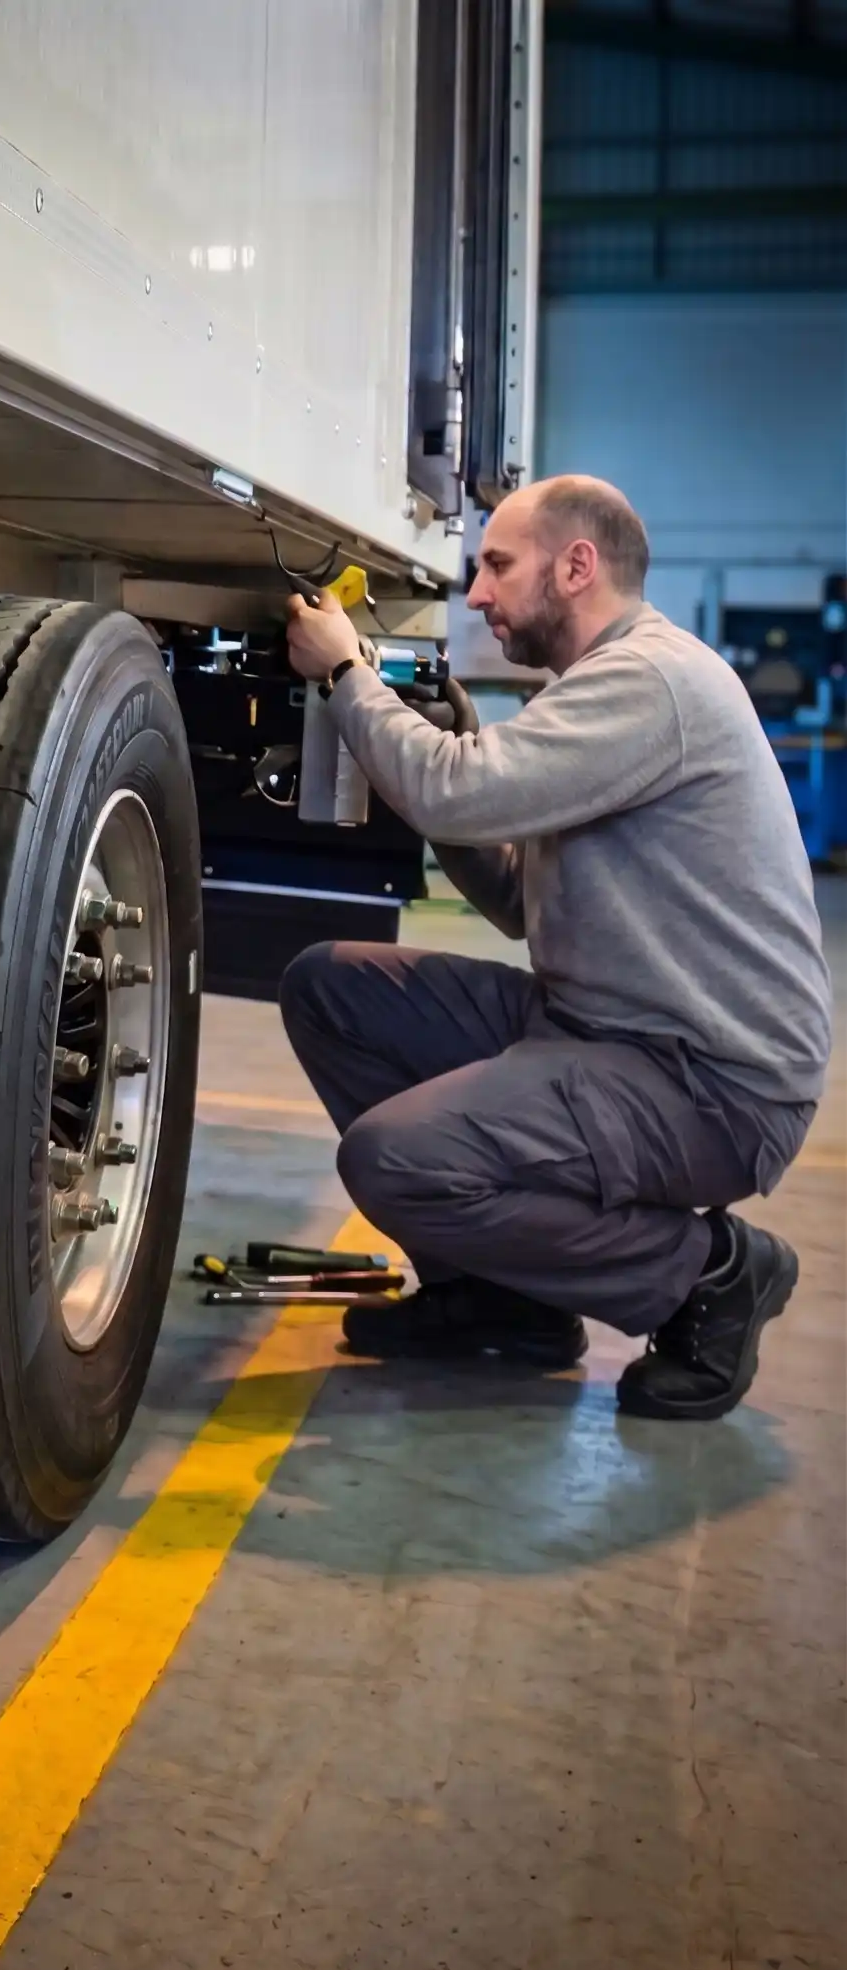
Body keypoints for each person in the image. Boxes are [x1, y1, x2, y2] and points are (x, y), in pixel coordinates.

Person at [279, 475, 831, 1420]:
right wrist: (448, 749)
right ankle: (498, 1298)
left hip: (708, 1082)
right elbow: (515, 908)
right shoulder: (589, 693)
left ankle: (708, 1272)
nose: (480, 594)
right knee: (330, 987)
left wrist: (346, 677)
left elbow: (453, 791)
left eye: (497, 565)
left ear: (577, 566)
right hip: (595, 1029)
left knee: (395, 1161)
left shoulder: (649, 678)